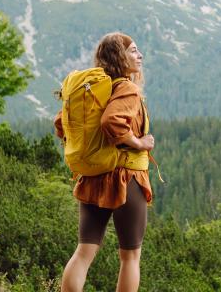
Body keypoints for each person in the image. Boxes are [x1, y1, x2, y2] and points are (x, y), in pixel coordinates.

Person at [55, 32, 154, 292]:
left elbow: (61, 123)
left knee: (84, 252)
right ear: (120, 56)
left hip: (93, 177)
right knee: (130, 257)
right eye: (133, 51)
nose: (139, 55)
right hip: (126, 177)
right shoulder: (126, 88)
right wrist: (140, 142)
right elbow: (112, 122)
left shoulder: (91, 90)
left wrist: (89, 149)